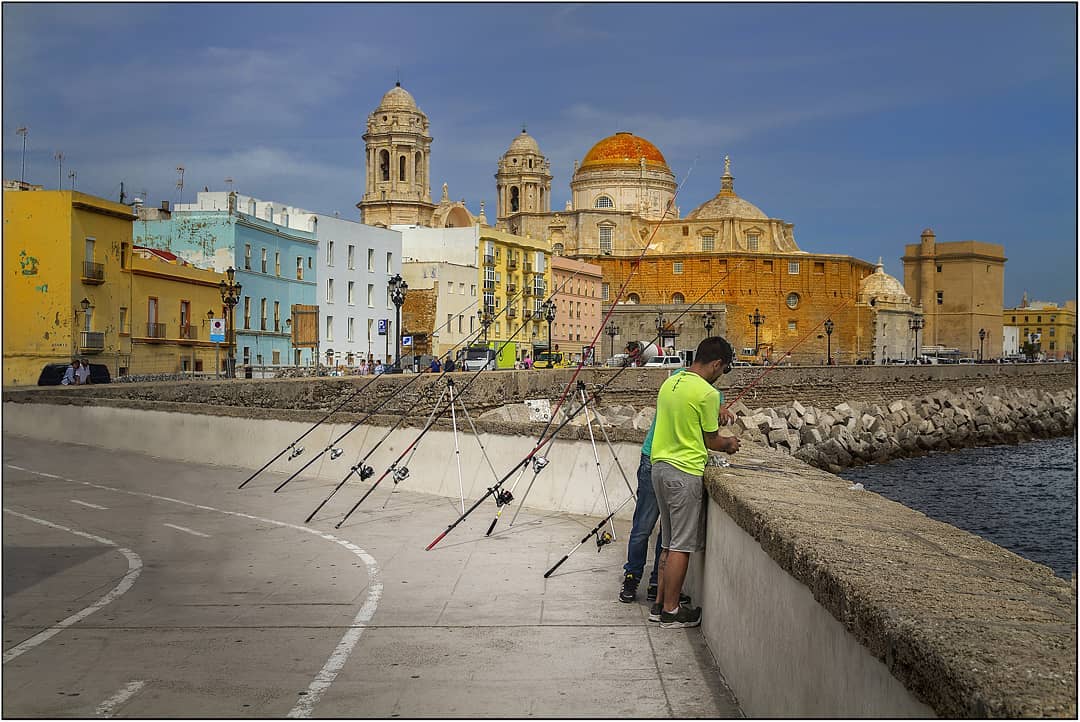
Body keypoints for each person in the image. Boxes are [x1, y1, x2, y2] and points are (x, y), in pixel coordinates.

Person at [651, 336, 739, 628]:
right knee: (681, 546)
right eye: (724, 369)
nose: (721, 375)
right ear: (716, 364)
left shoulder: (671, 383)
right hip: (684, 472)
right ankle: (672, 612)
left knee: (667, 541)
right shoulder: (707, 394)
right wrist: (728, 444)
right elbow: (710, 439)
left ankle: (659, 605)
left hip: (659, 467)